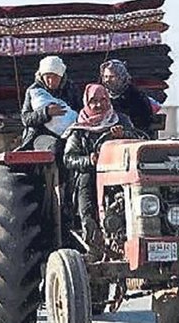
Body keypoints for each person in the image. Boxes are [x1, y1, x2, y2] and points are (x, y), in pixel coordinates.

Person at [63, 83, 136, 259]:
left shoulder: (122, 121)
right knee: (86, 191)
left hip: (118, 175)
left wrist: (124, 136)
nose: (98, 105)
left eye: (102, 100)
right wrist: (89, 160)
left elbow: (140, 140)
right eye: (93, 101)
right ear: (87, 103)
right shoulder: (79, 130)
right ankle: (94, 246)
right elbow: (69, 158)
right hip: (89, 175)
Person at [18, 55, 82, 154]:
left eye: (55, 77)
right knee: (56, 148)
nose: (51, 81)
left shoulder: (71, 89)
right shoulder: (33, 91)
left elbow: (80, 110)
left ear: (61, 76)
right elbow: (26, 118)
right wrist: (46, 113)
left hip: (70, 133)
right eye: (48, 77)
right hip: (40, 135)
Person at [99, 59, 154, 135]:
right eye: (105, 77)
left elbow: (143, 125)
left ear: (121, 77)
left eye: (112, 77)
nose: (108, 80)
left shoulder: (136, 96)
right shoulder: (101, 95)